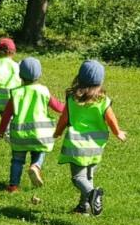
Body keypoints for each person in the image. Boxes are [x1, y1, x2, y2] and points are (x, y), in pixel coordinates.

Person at [53, 60, 127, 216]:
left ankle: (93, 193)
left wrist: (58, 132)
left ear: (79, 78)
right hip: (96, 146)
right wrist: (117, 132)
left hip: (77, 146)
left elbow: (64, 119)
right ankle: (84, 208)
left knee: (77, 178)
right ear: (100, 81)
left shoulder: (72, 99)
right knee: (88, 176)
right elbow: (110, 119)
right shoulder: (103, 101)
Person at [0, 56, 66, 193]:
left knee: (17, 160)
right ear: (39, 74)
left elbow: (6, 114)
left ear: (20, 75)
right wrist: (69, 110)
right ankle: (36, 166)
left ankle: (13, 186)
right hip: (40, 134)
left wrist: (1, 130)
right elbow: (58, 107)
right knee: (39, 152)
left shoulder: (16, 93)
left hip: (20, 136)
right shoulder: (43, 91)